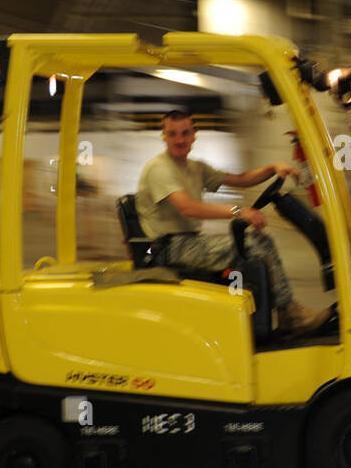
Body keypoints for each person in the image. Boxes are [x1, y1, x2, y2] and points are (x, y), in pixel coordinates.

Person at [135, 110, 333, 335]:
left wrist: (272, 168)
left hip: (188, 242)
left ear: (194, 135)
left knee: (259, 241)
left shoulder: (195, 168)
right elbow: (187, 207)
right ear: (164, 136)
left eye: (185, 133)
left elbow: (240, 179)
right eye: (172, 134)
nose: (179, 140)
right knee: (255, 245)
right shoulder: (159, 168)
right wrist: (238, 211)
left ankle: (270, 315)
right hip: (168, 248)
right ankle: (291, 315)